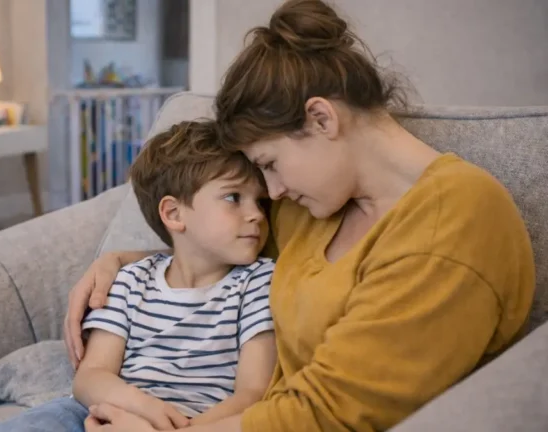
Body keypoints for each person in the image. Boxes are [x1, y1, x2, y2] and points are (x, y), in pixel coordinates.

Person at [66, 1, 537, 431]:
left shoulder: (455, 222)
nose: (272, 193)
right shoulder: (316, 207)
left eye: (270, 164)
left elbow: (327, 416)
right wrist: (126, 261)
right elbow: (224, 251)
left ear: (322, 119)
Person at [0, 120, 277, 432]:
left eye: (261, 201)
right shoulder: (130, 280)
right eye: (234, 197)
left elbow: (253, 394)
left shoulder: (258, 282)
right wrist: (140, 405)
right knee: (50, 417)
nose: (257, 214)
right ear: (174, 214)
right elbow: (92, 375)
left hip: (200, 422)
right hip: (114, 412)